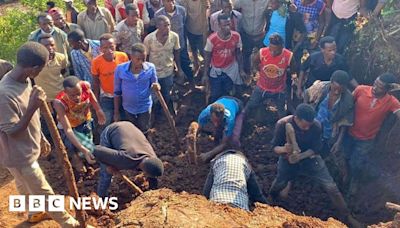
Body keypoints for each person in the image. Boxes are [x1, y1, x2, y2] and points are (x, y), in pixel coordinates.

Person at [0, 41, 80, 226]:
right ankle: (70, 223)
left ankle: (34, 213)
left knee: (23, 185)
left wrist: (41, 137)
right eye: (40, 69)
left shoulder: (25, 80)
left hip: (25, 148)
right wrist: (33, 106)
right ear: (33, 68)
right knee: (45, 192)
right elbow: (11, 130)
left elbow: (29, 115)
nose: (40, 73)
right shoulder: (4, 94)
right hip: (19, 155)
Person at [269, 104, 360, 227]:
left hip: (310, 159)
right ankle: (270, 200)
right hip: (287, 159)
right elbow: (274, 148)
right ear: (296, 118)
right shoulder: (282, 124)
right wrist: (284, 149)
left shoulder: (316, 126)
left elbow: (315, 149)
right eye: (304, 125)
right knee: (280, 182)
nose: (307, 128)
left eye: (309, 125)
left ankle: (346, 215)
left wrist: (300, 157)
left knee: (331, 186)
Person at [344, 73, 400, 196]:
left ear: (387, 89)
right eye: (375, 83)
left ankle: (354, 181)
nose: (375, 87)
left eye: (380, 86)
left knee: (356, 162)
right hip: (348, 134)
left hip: (366, 139)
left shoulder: (391, 101)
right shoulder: (360, 90)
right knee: (346, 157)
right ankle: (346, 175)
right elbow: (347, 106)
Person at [94, 121, 164, 197]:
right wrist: (107, 166)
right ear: (145, 172)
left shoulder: (153, 158)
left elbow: (153, 174)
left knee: (152, 172)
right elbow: (96, 150)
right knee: (106, 174)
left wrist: (152, 193)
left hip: (128, 128)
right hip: (111, 131)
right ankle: (102, 198)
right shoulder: (125, 158)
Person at [54, 76, 106, 173]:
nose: (77, 97)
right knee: (74, 147)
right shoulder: (60, 102)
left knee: (88, 139)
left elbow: (91, 96)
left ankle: (84, 155)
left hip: (84, 120)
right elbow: (68, 129)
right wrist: (84, 150)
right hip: (71, 126)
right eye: (72, 95)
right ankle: (77, 160)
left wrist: (98, 109)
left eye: (78, 94)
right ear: (65, 92)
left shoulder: (85, 86)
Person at [305, 70, 354, 160]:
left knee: (324, 150)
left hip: (330, 128)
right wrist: (306, 115)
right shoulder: (320, 87)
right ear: (331, 82)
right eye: (334, 88)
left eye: (340, 90)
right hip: (313, 122)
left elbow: (345, 122)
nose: (336, 92)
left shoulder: (348, 100)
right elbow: (306, 94)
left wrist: (338, 142)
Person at [245, 33, 294, 119]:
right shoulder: (262, 52)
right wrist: (259, 70)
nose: (273, 53)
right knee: (251, 105)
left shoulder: (288, 56)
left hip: (279, 89)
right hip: (262, 87)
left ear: (282, 47)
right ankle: (243, 119)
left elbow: (293, 69)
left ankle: (281, 127)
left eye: (276, 51)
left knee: (281, 111)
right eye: (271, 49)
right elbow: (255, 62)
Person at [114, 43, 158, 134]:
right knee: (131, 131)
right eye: (138, 59)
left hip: (144, 107)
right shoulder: (120, 69)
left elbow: (155, 85)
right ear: (131, 57)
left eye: (144, 59)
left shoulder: (151, 68)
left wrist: (157, 87)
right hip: (128, 107)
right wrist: (116, 112)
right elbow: (117, 91)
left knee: (144, 130)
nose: (141, 62)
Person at [203, 149, 268, 211]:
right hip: (240, 207)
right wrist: (269, 207)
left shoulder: (216, 162)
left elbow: (206, 191)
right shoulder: (246, 165)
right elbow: (256, 194)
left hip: (217, 203)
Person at [144, 15, 184, 115]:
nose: (168, 28)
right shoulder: (149, 39)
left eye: (168, 25)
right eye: (164, 26)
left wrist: (179, 69)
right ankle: (153, 115)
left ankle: (166, 113)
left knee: (167, 94)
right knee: (153, 96)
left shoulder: (174, 37)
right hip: (154, 74)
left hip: (168, 71)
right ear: (158, 26)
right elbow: (146, 58)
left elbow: (176, 53)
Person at [202, 14, 246, 103]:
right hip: (216, 69)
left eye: (229, 24)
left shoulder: (236, 36)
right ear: (218, 25)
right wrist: (205, 74)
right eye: (224, 25)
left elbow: (239, 53)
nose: (227, 27)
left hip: (231, 68)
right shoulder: (212, 39)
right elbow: (207, 57)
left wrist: (241, 70)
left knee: (232, 92)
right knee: (215, 94)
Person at [91, 33, 129, 126]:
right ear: (100, 49)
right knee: (105, 121)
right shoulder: (96, 62)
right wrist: (97, 103)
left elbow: (128, 75)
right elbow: (96, 83)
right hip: (107, 96)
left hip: (123, 95)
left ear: (115, 46)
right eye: (105, 48)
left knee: (125, 120)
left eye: (111, 47)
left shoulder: (123, 57)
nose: (109, 50)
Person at [155, 0, 194, 83]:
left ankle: (192, 83)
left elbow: (184, 25)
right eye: (167, 1)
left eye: (172, 0)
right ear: (163, 2)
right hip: (167, 45)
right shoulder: (158, 14)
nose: (171, 3)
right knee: (169, 66)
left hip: (181, 44)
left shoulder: (182, 10)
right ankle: (174, 85)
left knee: (186, 64)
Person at [198, 96, 244, 162]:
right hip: (222, 99)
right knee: (215, 131)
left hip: (238, 105)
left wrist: (208, 155)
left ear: (223, 115)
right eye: (214, 120)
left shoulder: (230, 119)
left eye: (219, 121)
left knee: (234, 140)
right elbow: (198, 129)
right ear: (210, 115)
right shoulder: (204, 114)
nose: (216, 124)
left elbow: (224, 143)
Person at [234, 0, 269, 74]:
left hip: (260, 35)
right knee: (246, 56)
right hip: (246, 34)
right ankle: (247, 76)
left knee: (262, 57)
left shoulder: (266, 1)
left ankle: (260, 76)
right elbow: (233, 6)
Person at [34, 34, 68, 102]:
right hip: (44, 99)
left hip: (61, 97)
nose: (50, 48)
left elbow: (63, 71)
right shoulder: (34, 61)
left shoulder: (61, 57)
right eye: (46, 46)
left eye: (52, 45)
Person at [179, 0, 209, 75]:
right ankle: (196, 65)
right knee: (193, 50)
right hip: (190, 29)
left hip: (202, 31)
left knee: (204, 52)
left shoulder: (204, 2)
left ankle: (207, 70)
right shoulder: (185, 2)